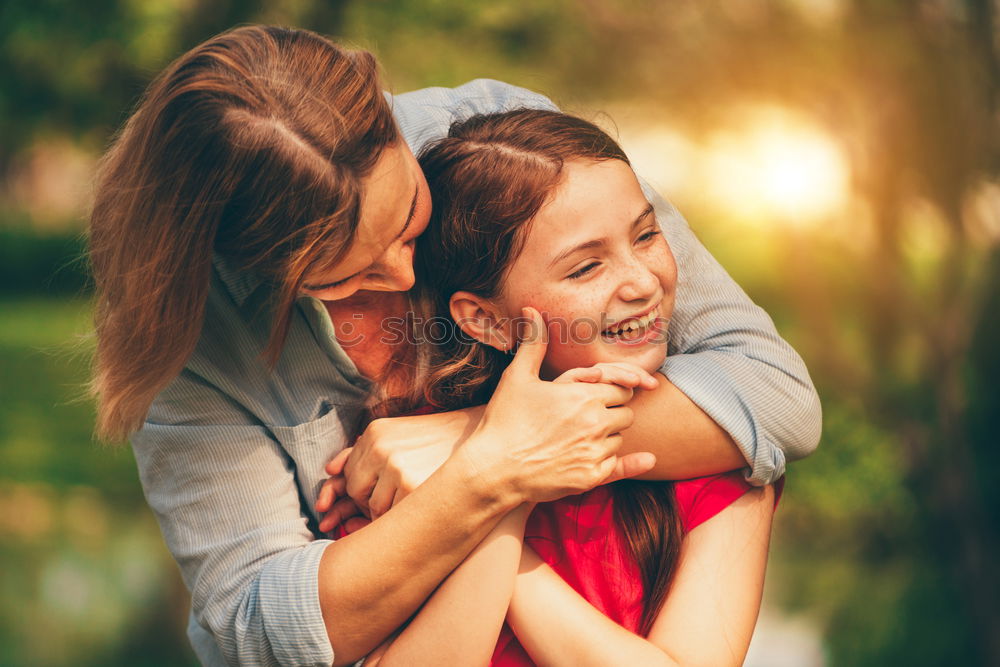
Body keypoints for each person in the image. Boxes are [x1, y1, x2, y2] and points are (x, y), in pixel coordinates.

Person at [87, 25, 820, 666]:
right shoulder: (200, 346)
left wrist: (485, 442)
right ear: (258, 264)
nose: (405, 274)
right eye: (347, 274)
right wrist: (485, 483)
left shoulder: (505, 147)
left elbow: (770, 391)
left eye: (408, 219)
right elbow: (262, 627)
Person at [318, 109, 779, 667]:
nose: (641, 281)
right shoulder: (404, 462)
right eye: (585, 268)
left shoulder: (713, 453)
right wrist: (498, 475)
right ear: (485, 320)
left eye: (646, 234)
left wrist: (503, 503)